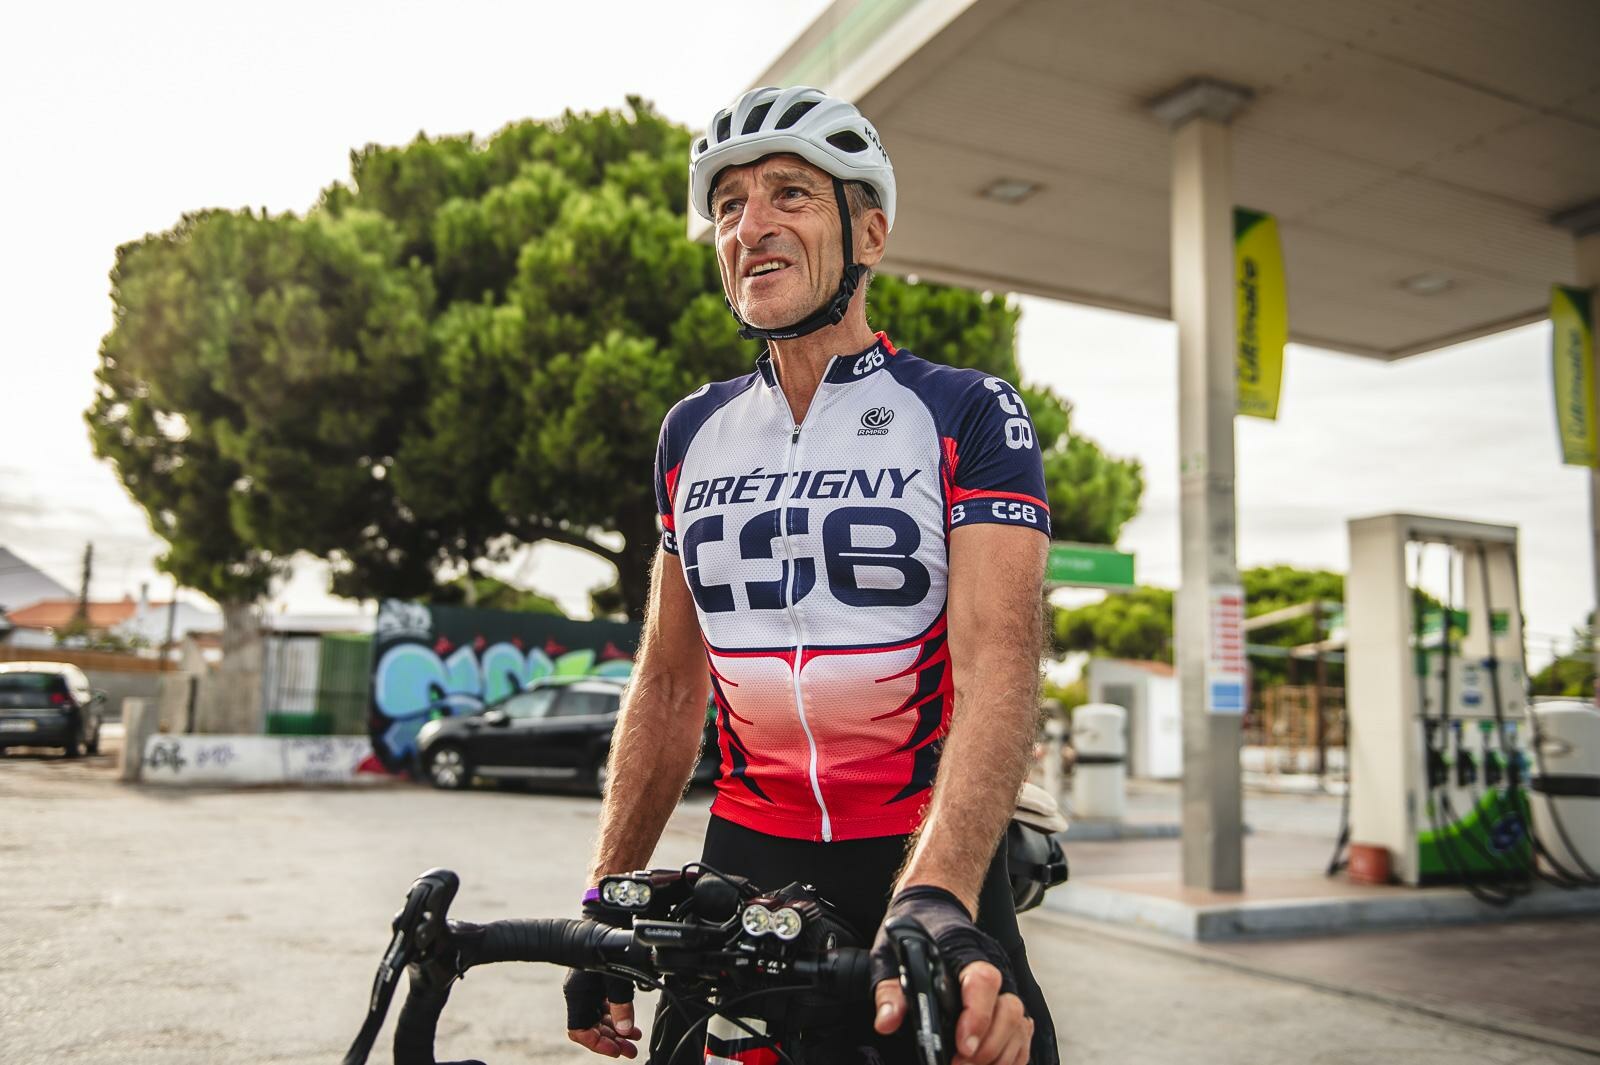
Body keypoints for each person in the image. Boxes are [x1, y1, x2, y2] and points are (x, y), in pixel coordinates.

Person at [564, 85, 1057, 1065]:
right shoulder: (691, 432)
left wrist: (940, 889)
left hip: (918, 863)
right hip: (744, 863)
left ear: (868, 232)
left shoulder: (965, 411)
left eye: (789, 193)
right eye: (728, 206)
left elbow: (999, 663)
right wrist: (603, 904)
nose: (750, 225)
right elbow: (668, 682)